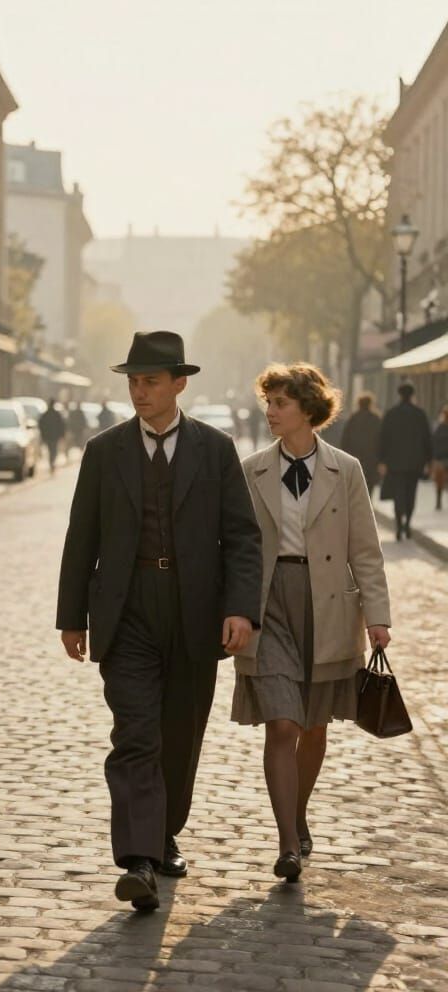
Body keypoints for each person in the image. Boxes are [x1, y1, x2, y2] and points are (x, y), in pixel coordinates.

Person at [56, 330, 261, 912]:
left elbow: (242, 537)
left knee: (180, 734)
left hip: (196, 609)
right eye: (132, 382)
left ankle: (166, 831)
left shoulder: (216, 449)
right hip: (127, 608)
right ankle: (139, 859)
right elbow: (81, 537)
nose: (139, 392)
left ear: (179, 384)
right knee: (136, 732)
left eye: (150, 381)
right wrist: (72, 617)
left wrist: (241, 607)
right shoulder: (104, 451)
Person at [233, 363, 391, 884]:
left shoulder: (346, 470)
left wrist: (378, 619)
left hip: (328, 607)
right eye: (268, 403)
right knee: (282, 723)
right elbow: (235, 547)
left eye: (279, 403)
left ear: (307, 408)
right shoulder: (252, 468)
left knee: (315, 725)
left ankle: (298, 813)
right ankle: (286, 843)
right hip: (270, 604)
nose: (271, 413)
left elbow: (365, 550)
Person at [378, 382, 433, 540]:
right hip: (416, 462)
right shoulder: (420, 414)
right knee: (411, 493)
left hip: (395, 462)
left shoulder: (391, 414)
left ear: (399, 395)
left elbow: (383, 438)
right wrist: (429, 462)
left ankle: (398, 525)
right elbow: (427, 439)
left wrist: (382, 460)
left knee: (398, 494)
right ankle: (407, 523)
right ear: (412, 395)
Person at [340, 392, 382, 497]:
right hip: (372, 457)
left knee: (356, 483)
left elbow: (345, 439)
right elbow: (381, 439)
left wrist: (344, 455)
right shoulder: (376, 419)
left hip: (355, 456)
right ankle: (368, 502)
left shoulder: (353, 419)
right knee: (370, 484)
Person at [38, 400, 67, 474]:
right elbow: (62, 425)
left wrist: (43, 435)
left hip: (50, 436)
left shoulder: (46, 414)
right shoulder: (55, 414)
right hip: (53, 436)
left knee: (51, 450)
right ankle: (52, 462)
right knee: (53, 451)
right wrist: (62, 435)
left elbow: (41, 425)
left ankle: (52, 463)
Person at [433, 405, 448, 510]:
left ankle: (438, 502)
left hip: (441, 458)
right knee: (441, 481)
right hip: (442, 458)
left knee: (439, 482)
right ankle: (438, 502)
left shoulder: (440, 427)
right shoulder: (440, 427)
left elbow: (434, 442)